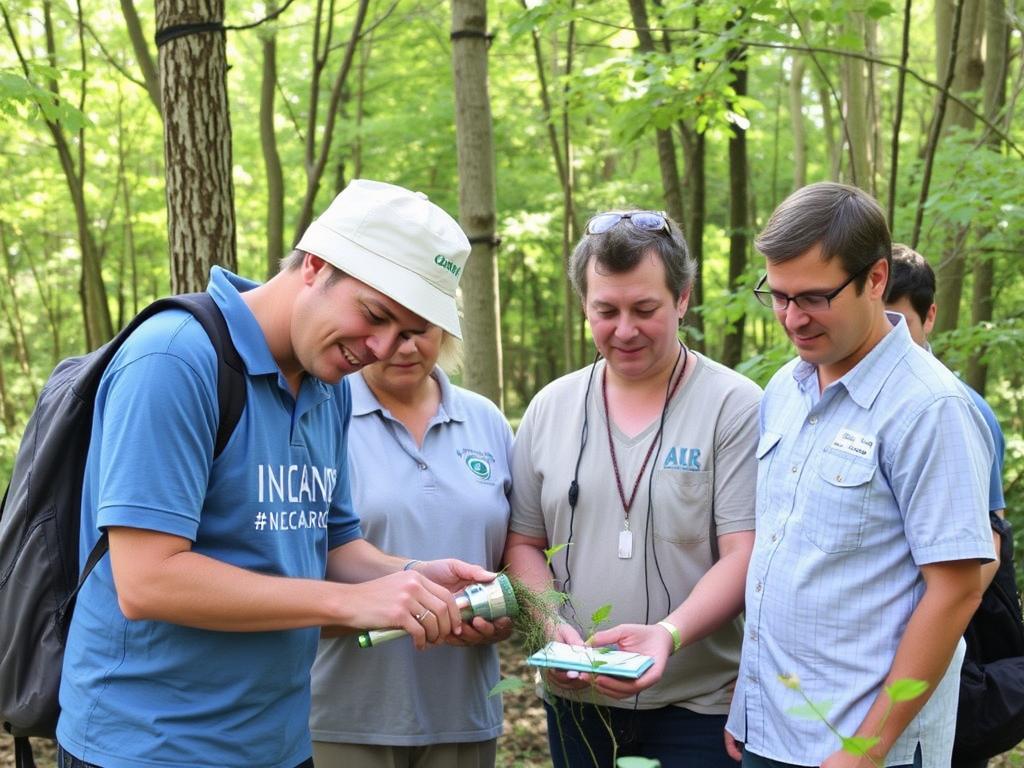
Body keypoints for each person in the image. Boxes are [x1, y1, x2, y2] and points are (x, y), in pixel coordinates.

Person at [55, 179, 495, 768]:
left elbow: (334, 544)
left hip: (279, 742)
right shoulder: (176, 359)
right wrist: (349, 606)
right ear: (316, 264)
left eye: (408, 330)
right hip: (150, 744)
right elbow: (146, 580)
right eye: (374, 314)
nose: (382, 348)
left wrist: (413, 575)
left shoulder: (328, 385)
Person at [725, 182, 994, 768]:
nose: (793, 319)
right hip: (769, 732)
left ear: (876, 279)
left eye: (815, 298)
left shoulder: (930, 408)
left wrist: (864, 750)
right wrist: (747, 705)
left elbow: (956, 590)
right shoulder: (783, 390)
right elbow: (777, 556)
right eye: (778, 295)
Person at [504, 209, 762, 766]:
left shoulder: (735, 407)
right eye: (606, 311)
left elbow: (746, 554)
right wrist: (550, 625)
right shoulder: (550, 407)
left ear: (684, 298)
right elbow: (523, 542)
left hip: (700, 707)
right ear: (584, 306)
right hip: (576, 699)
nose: (624, 330)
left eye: (645, 309)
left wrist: (668, 635)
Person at [309, 324, 514, 767]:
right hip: (347, 716)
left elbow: (517, 555)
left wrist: (504, 616)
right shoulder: (319, 413)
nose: (403, 347)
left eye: (419, 331)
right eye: (386, 328)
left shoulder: (487, 421)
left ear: (446, 329)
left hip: (463, 712)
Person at [886, 244, 1009, 768]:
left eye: (899, 322)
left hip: (941, 654)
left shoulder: (958, 408)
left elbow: (989, 543)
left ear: (930, 316)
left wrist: (927, 632)